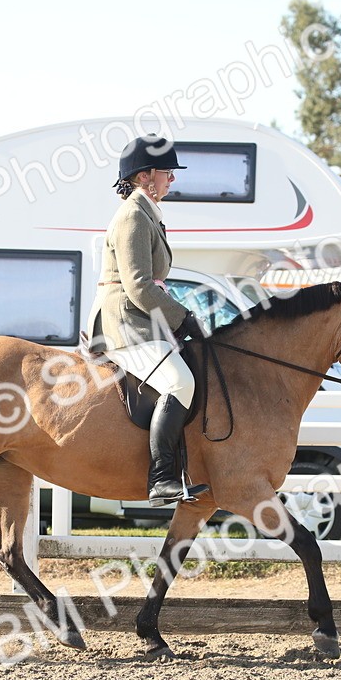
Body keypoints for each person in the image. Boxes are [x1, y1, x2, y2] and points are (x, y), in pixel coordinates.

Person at [88, 134, 209, 507]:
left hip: (142, 319)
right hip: (126, 322)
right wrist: (181, 317)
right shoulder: (132, 217)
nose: (171, 180)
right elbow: (139, 286)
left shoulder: (146, 214)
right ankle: (161, 479)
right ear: (144, 177)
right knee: (179, 382)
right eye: (166, 173)